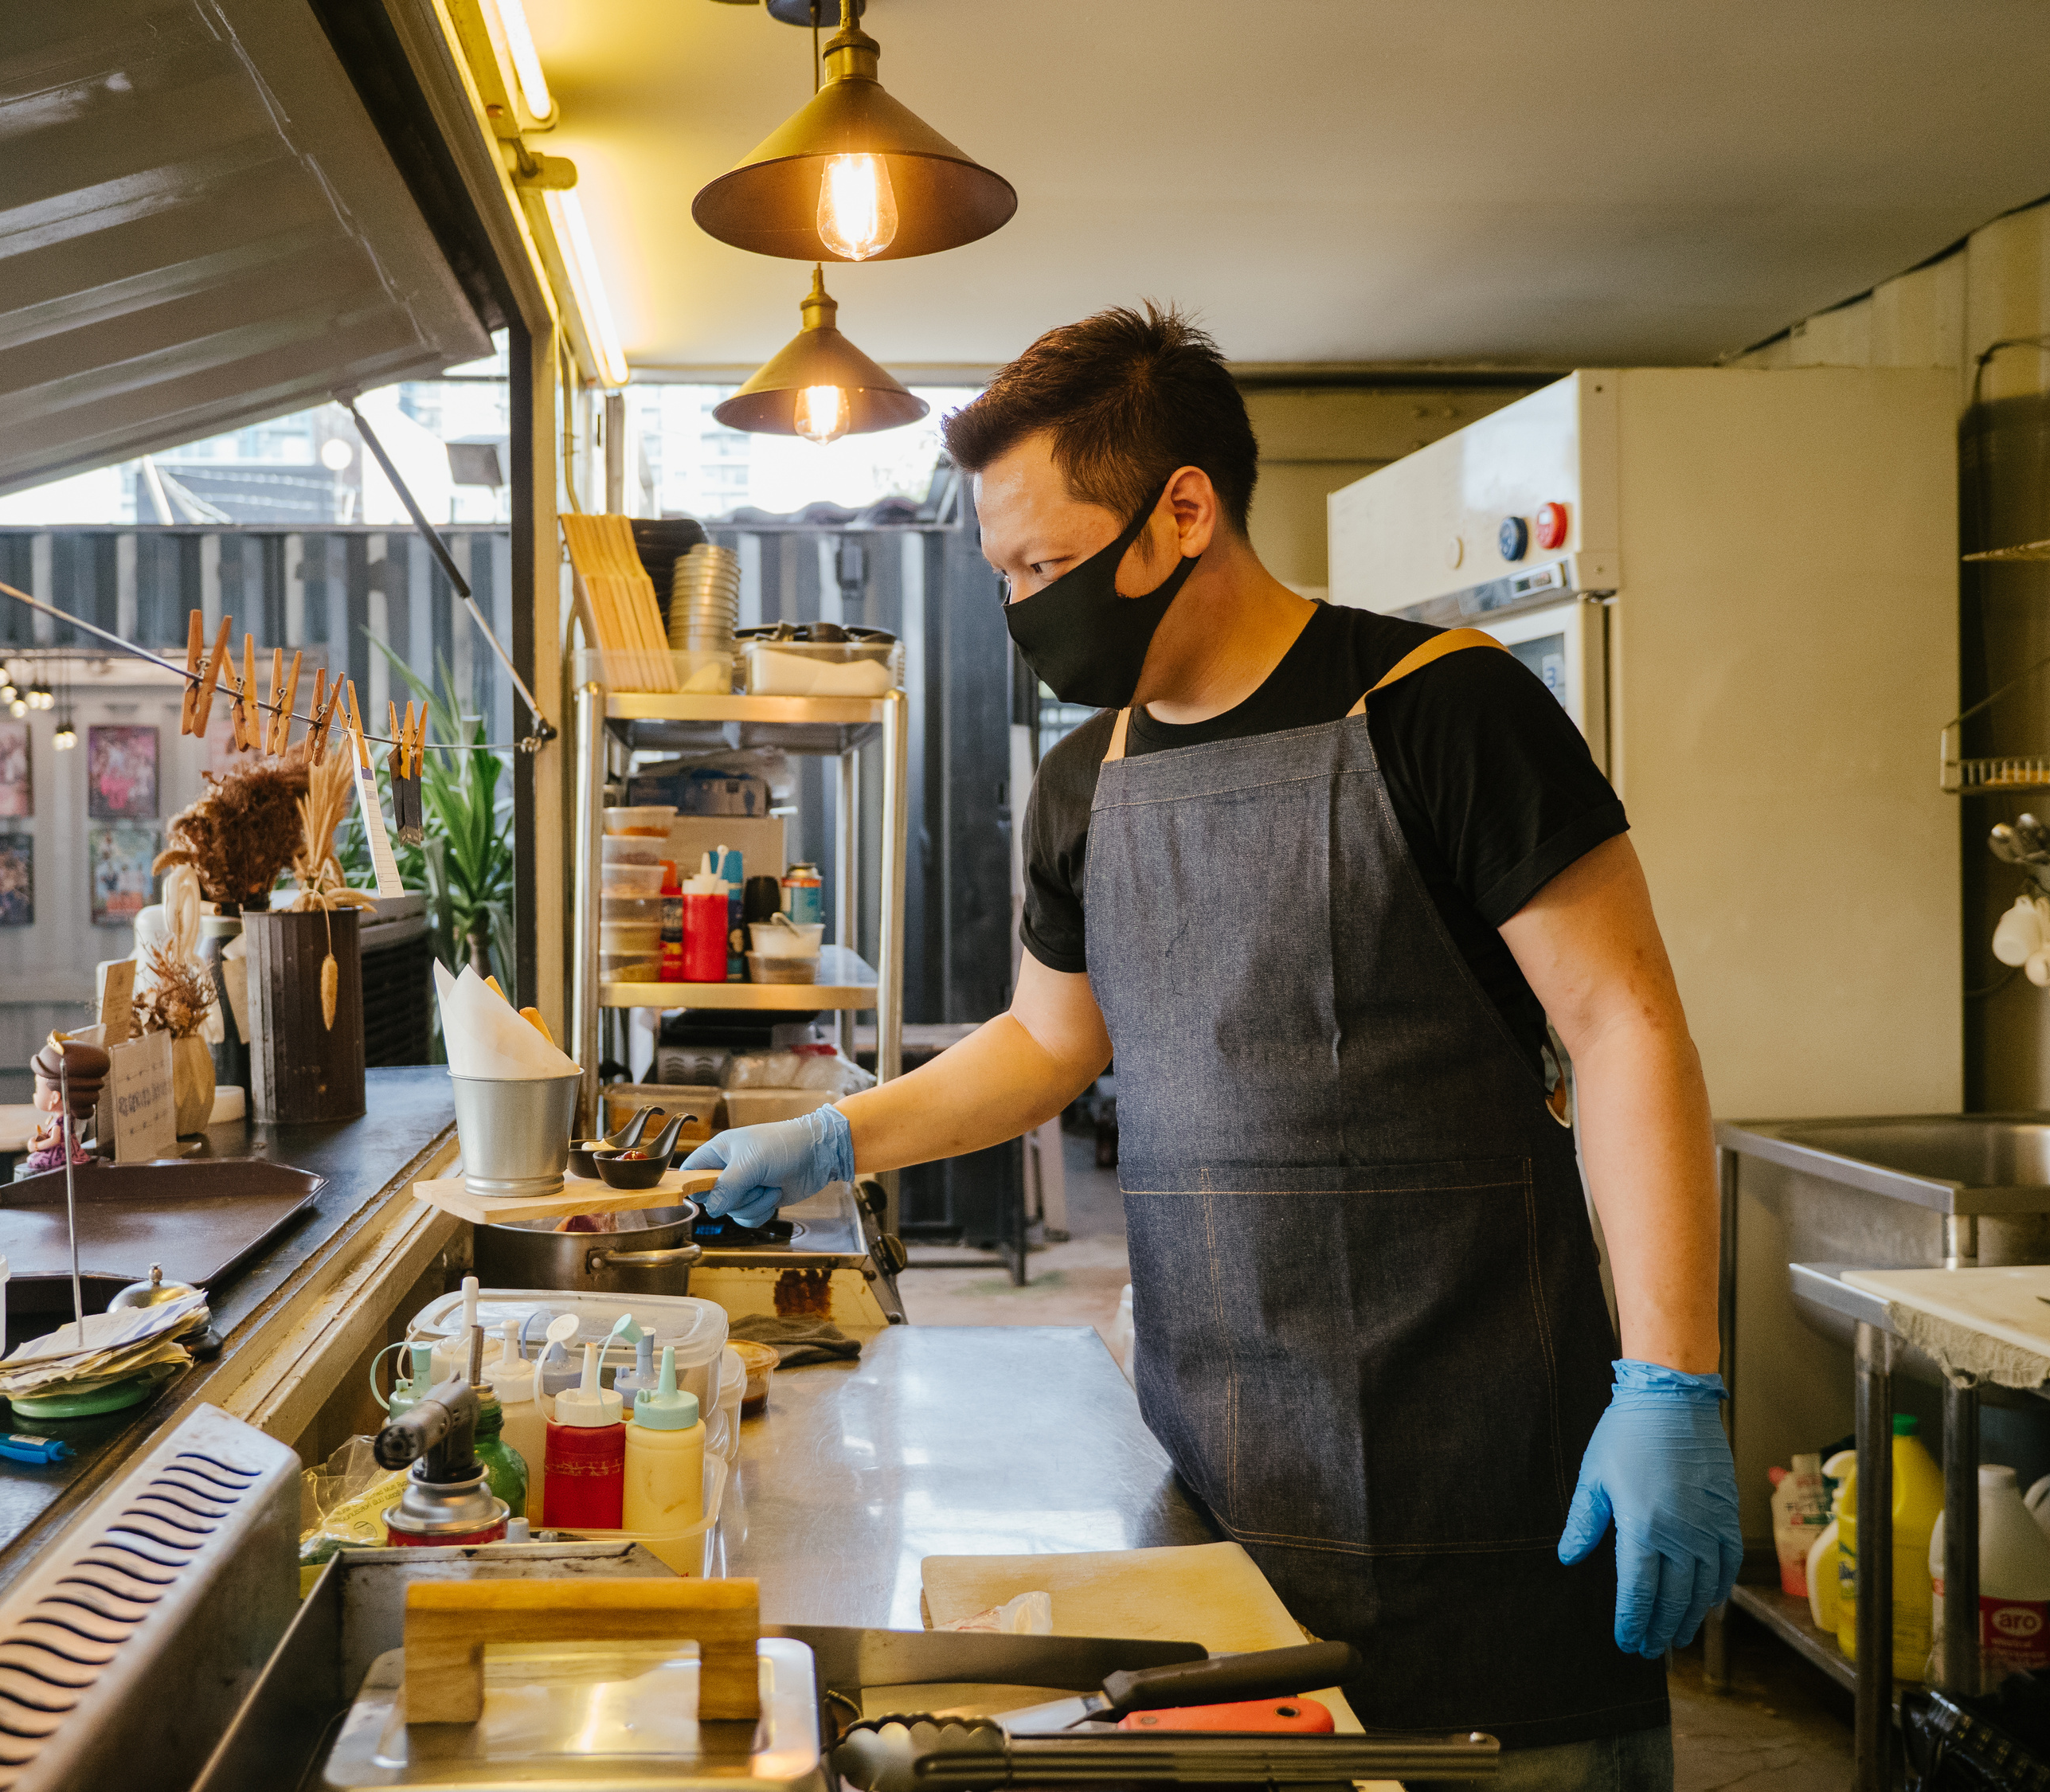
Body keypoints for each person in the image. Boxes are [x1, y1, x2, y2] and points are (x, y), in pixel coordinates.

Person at [684, 306, 1739, 1787]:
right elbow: (1048, 1045)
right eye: (1003, 577)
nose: (1024, 610)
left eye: (1044, 566)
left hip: (1506, 1492)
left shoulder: (1447, 712)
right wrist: (838, 1136)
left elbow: (1624, 1026)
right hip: (1220, 1504)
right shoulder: (1080, 787)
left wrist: (1673, 1380)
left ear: (1184, 510)